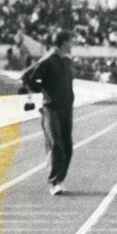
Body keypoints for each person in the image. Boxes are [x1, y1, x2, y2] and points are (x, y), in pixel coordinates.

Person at [22, 30, 74, 196]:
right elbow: (26, 77)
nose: (72, 45)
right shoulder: (47, 61)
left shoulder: (66, 62)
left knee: (68, 147)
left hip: (66, 108)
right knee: (56, 144)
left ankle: (60, 179)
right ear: (63, 43)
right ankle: (54, 182)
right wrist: (41, 90)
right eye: (70, 42)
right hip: (51, 109)